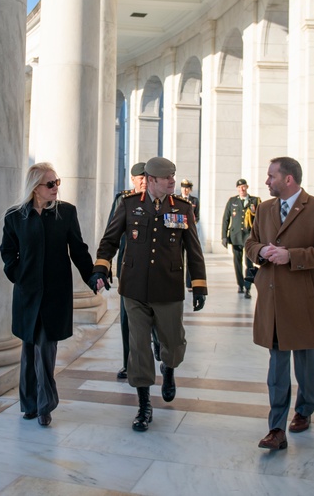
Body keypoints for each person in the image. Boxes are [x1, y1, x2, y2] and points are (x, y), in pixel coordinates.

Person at [93, 156, 207, 432]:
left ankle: (168, 369)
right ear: (152, 180)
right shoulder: (129, 205)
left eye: (173, 176)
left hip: (168, 289)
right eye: (167, 177)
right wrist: (101, 267)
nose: (173, 181)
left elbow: (193, 250)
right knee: (139, 346)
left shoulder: (182, 208)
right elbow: (109, 240)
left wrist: (199, 284)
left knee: (174, 343)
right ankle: (144, 405)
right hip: (134, 289)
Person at [244, 156, 314, 451]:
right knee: (277, 366)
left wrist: (292, 256)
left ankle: (305, 409)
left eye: (271, 176)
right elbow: (250, 243)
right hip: (273, 301)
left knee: (307, 364)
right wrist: (261, 252)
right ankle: (276, 428)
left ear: (288, 179)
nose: (266, 181)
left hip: (306, 301)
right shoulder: (264, 208)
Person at [0, 162, 96, 428]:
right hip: (27, 294)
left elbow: (78, 249)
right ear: (35, 188)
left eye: (57, 182)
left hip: (55, 294)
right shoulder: (15, 216)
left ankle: (44, 405)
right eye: (50, 184)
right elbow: (8, 251)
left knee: (45, 347)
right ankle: (29, 405)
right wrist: (17, 273)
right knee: (28, 346)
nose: (56, 188)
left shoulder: (66, 213)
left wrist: (92, 276)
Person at [107, 162, 160, 380]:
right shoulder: (123, 200)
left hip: (156, 269)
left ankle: (158, 344)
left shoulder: (160, 200)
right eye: (140, 179)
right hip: (129, 268)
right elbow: (111, 234)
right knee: (127, 317)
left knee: (158, 312)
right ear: (133, 180)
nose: (143, 183)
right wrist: (105, 263)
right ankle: (129, 363)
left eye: (146, 179)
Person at [221, 178, 261, 298]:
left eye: (243, 187)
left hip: (249, 237)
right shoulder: (232, 201)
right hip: (236, 236)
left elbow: (260, 219)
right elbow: (226, 219)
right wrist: (224, 236)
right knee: (237, 262)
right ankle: (240, 284)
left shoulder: (255, 201)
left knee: (249, 263)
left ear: (247, 187)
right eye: (239, 187)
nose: (241, 189)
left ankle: (248, 287)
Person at [179, 178, 199, 291]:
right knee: (179, 257)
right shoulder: (175, 199)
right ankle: (179, 281)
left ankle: (189, 283)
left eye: (187, 188)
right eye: (183, 187)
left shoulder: (195, 201)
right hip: (179, 232)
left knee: (191, 257)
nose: (185, 190)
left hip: (190, 232)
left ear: (190, 189)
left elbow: (197, 216)